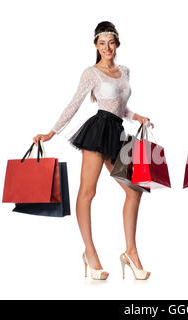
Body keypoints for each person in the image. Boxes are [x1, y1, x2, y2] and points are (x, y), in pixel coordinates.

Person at [33, 21, 151, 280]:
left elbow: (120, 107)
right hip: (98, 131)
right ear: (95, 45)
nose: (107, 47)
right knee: (88, 191)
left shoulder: (125, 71)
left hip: (118, 132)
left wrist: (136, 116)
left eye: (111, 42)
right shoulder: (91, 72)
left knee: (134, 189)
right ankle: (90, 251)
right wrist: (51, 132)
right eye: (101, 43)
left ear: (117, 44)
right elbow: (74, 103)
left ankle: (131, 251)